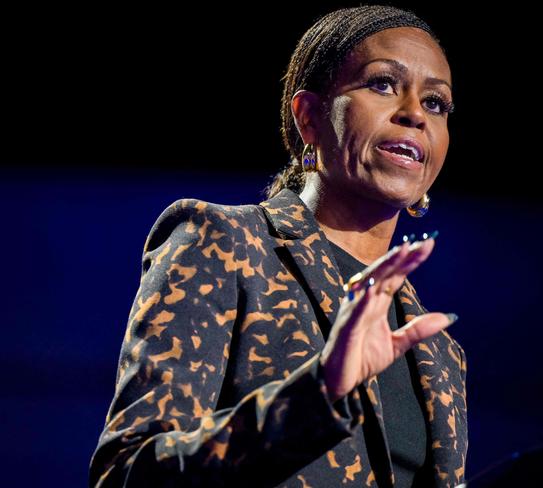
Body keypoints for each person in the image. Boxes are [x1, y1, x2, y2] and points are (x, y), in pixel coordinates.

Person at [89, 5, 467, 487]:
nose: (415, 113)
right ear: (309, 117)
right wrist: (321, 393)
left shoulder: (441, 353)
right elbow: (127, 473)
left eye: (436, 102)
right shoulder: (225, 244)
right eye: (382, 84)